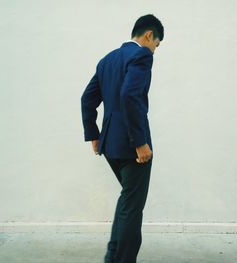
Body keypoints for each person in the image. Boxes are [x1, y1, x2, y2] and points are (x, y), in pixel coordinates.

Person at [81, 14, 164, 263]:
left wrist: (94, 135)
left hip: (110, 144)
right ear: (149, 35)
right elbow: (130, 95)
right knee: (132, 206)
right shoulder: (141, 55)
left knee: (127, 199)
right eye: (157, 45)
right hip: (131, 144)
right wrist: (140, 143)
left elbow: (87, 99)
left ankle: (112, 256)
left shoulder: (107, 60)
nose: (155, 51)